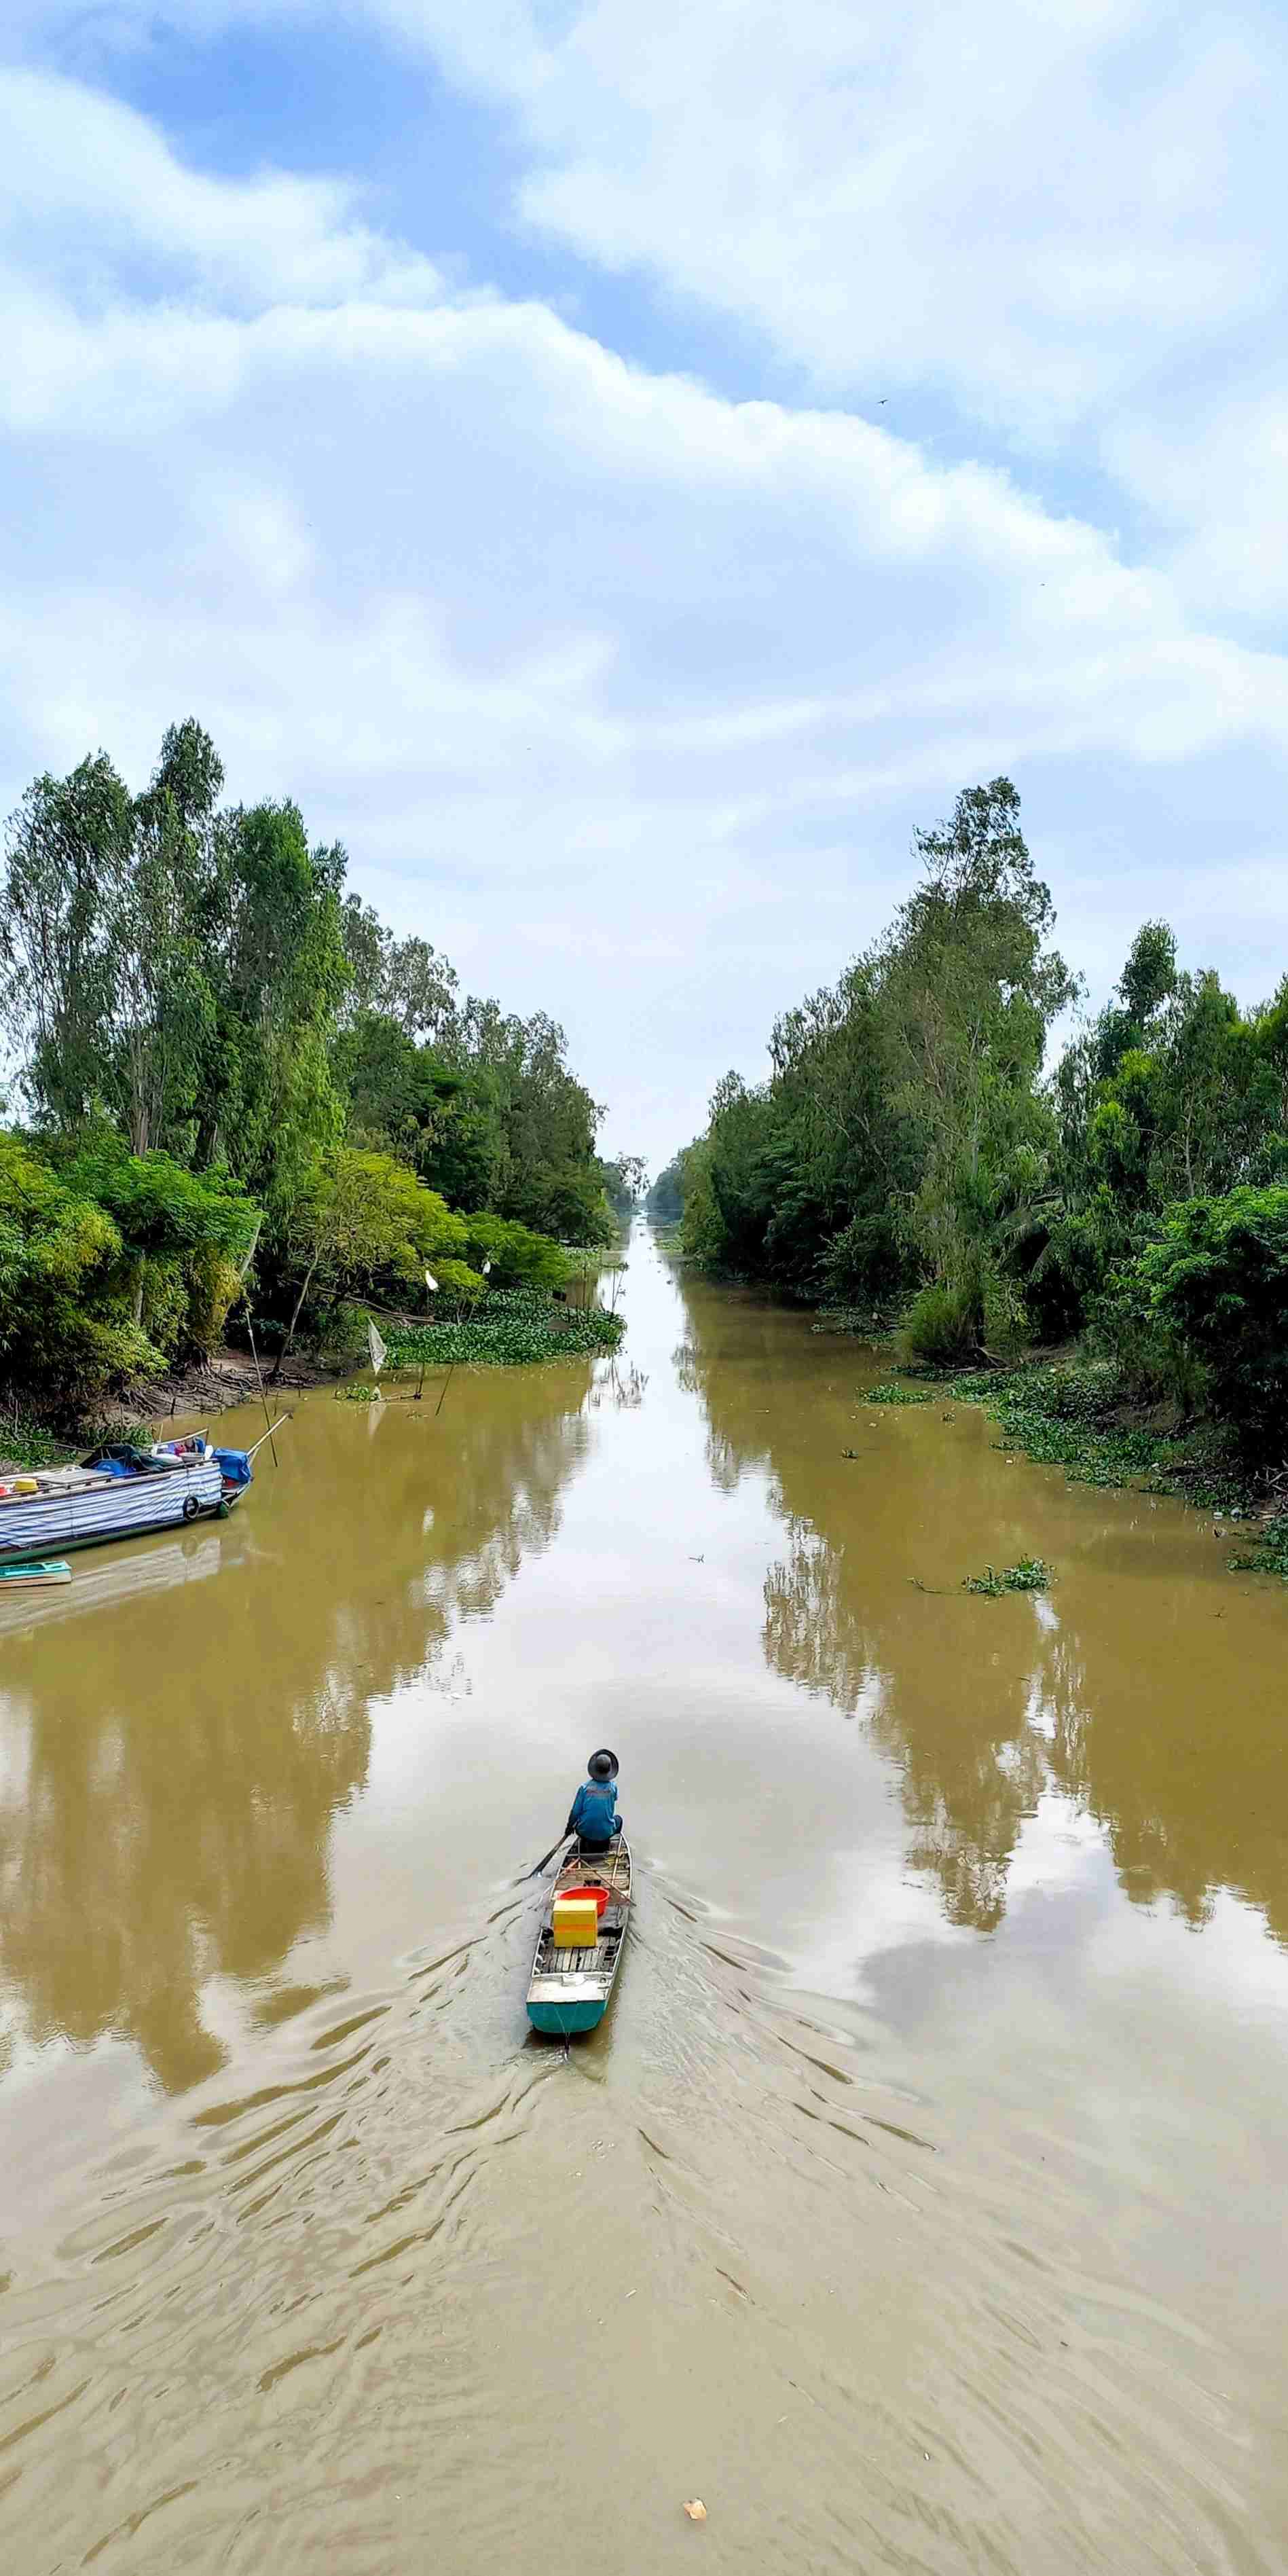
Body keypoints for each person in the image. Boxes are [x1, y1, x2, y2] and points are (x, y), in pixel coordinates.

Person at [566, 1748, 622, 1853]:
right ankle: (607, 1843)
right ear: (609, 1771)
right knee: (619, 1820)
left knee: (580, 1821)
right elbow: (611, 1802)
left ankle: (586, 1843)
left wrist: (569, 1827)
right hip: (605, 1832)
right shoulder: (613, 1787)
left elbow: (575, 1812)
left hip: (585, 1832)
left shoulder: (584, 1788)